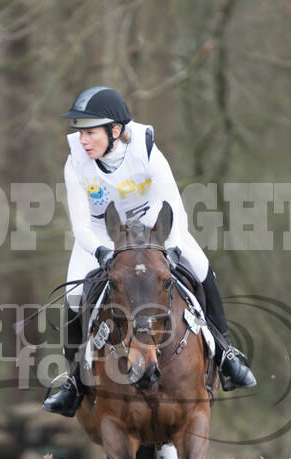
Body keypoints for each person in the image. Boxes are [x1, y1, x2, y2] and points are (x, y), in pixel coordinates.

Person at [43, 86, 256, 415]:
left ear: (115, 131)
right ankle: (73, 381)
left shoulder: (146, 151)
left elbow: (173, 207)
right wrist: (100, 251)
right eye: (80, 133)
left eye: (90, 133)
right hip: (102, 233)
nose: (83, 140)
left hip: (154, 228)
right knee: (73, 297)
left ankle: (226, 353)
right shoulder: (75, 163)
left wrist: (169, 249)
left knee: (199, 266)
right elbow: (80, 224)